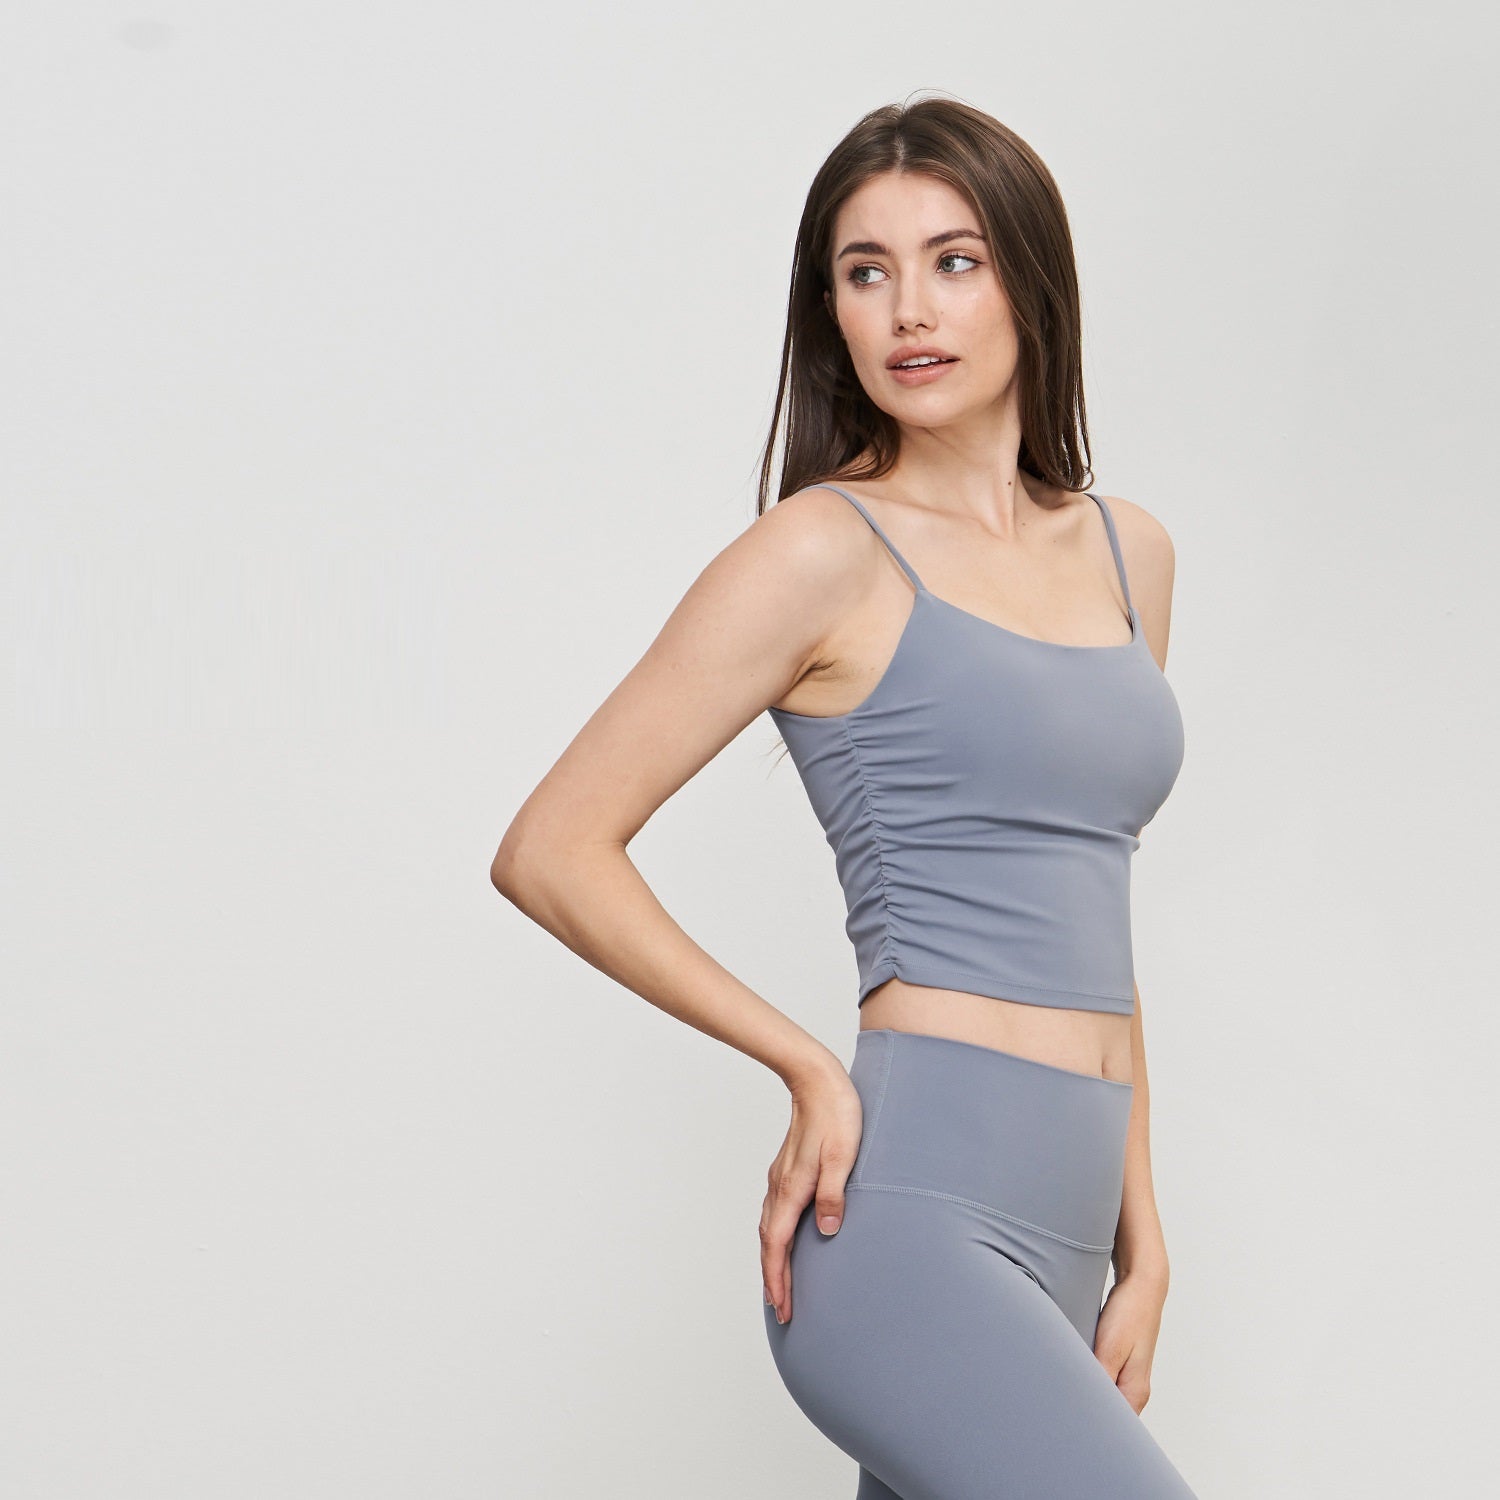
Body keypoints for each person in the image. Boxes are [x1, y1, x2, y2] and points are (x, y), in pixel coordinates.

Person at [493, 94, 1201, 1498]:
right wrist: (806, 1064)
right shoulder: (823, 550)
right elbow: (553, 847)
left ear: (1031, 281)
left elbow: (1094, 910)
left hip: (1072, 1229)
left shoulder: (1130, 553)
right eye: (864, 271)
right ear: (831, 311)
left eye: (954, 260)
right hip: (909, 1223)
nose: (908, 310)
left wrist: (1147, 1236)